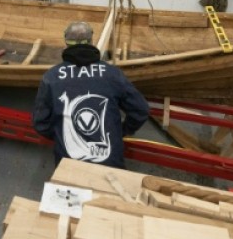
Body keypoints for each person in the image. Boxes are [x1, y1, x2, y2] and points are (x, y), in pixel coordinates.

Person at [32, 21, 149, 168]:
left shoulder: (51, 77)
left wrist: (61, 135)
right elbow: (141, 110)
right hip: (109, 162)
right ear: (91, 41)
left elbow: (40, 124)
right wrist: (121, 131)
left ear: (66, 42)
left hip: (68, 164)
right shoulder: (112, 74)